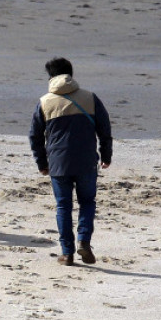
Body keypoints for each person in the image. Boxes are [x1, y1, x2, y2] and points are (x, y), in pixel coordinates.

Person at [29, 57, 113, 266]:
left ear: (50, 77)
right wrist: (106, 156)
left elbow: (35, 136)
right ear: (71, 74)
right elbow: (104, 129)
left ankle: (67, 253)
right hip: (86, 161)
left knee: (63, 207)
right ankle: (84, 241)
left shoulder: (44, 102)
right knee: (87, 202)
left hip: (58, 163)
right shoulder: (90, 98)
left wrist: (41, 163)